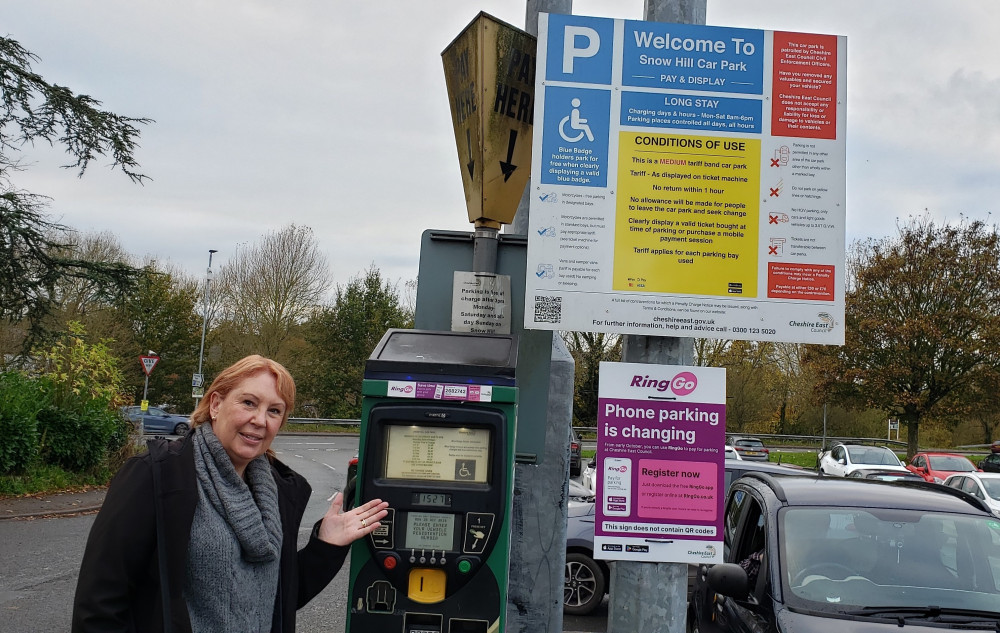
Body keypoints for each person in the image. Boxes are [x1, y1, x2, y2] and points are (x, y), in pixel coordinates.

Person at [72, 355, 388, 632]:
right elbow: (99, 604)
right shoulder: (157, 474)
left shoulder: (278, 492)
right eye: (249, 403)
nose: (259, 420)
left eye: (274, 411)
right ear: (216, 404)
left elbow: (276, 599)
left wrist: (326, 544)